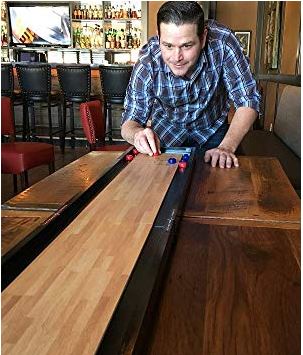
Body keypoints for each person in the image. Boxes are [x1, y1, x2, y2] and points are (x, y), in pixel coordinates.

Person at [121, 1, 260, 168]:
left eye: (186, 46)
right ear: (158, 38)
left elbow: (248, 100)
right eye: (168, 46)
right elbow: (130, 120)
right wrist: (136, 134)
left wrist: (226, 147)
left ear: (203, 38)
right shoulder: (148, 61)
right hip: (167, 131)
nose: (176, 57)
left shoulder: (224, 43)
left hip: (213, 129)